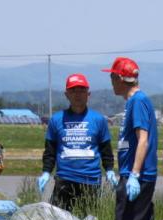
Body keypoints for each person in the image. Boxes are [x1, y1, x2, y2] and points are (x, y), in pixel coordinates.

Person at [39, 73, 117, 212]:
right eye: (73, 90)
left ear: (88, 94)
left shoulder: (98, 120)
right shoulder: (56, 120)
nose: (78, 94)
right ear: (66, 94)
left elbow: (106, 150)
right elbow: (50, 151)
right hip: (64, 180)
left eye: (82, 90)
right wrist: (46, 172)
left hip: (90, 181)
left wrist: (110, 170)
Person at [102, 57, 158, 220]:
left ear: (119, 78)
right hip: (130, 174)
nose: (111, 82)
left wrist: (134, 175)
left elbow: (143, 139)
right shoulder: (132, 102)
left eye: (112, 77)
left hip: (138, 177)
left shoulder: (138, 101)